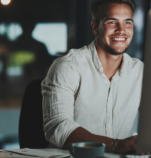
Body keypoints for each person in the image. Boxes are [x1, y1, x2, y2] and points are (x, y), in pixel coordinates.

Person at [42, 0, 143, 154]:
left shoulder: (140, 72)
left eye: (127, 22)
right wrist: (114, 145)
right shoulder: (67, 67)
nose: (121, 30)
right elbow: (58, 127)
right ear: (95, 26)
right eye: (112, 22)